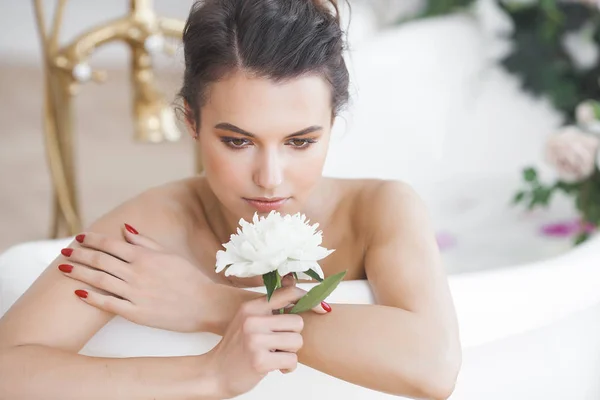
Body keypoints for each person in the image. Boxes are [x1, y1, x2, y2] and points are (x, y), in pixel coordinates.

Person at [0, 0, 461, 398]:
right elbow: (8, 371)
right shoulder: (152, 225)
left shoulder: (378, 209)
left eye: (300, 142)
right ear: (192, 122)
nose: (270, 178)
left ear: (332, 122)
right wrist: (209, 375)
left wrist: (212, 304)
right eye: (238, 141)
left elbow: (434, 368)